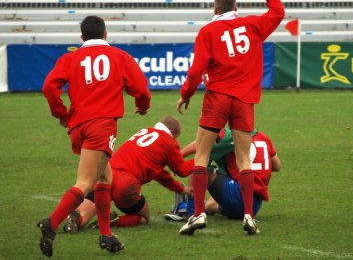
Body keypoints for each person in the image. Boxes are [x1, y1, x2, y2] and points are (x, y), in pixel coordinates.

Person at [176, 0, 285, 235]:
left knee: (201, 156)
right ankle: (249, 215)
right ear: (235, 6)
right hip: (244, 100)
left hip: (217, 98)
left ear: (215, 9)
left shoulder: (208, 32)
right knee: (243, 159)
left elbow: (196, 71)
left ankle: (198, 213)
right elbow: (278, 12)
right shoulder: (252, 25)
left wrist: (185, 95)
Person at [39, 15, 151, 257]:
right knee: (86, 182)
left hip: (78, 126)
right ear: (105, 34)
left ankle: (106, 235)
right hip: (101, 126)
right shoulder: (120, 57)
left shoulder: (70, 58)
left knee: (104, 178)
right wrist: (143, 106)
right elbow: (141, 89)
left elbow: (49, 86)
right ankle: (53, 223)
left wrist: (61, 112)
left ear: (82, 38)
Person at [62, 116, 194, 232]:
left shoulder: (145, 130)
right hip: (126, 184)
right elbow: (182, 170)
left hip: (106, 174)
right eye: (176, 137)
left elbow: (159, 173)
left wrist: (179, 188)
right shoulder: (168, 142)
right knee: (144, 217)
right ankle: (113, 221)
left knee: (84, 212)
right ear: (171, 132)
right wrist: (200, 160)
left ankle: (75, 220)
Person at [165, 128, 281, 225]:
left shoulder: (232, 134)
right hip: (254, 205)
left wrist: (179, 158)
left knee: (200, 166)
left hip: (237, 197)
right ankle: (205, 207)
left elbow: (202, 142)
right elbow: (277, 166)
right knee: (210, 204)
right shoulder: (264, 137)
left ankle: (190, 211)